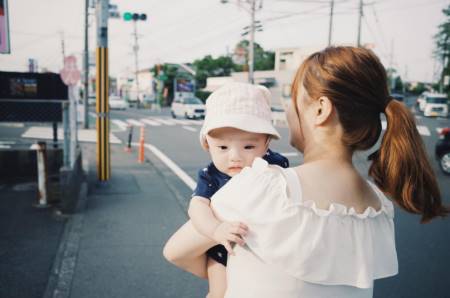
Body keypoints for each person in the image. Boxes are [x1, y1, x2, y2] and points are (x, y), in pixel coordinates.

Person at [208, 46, 449, 297]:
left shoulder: (266, 188)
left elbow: (176, 251)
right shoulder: (377, 208)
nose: (289, 109)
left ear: (321, 109)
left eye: (293, 97)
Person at [163, 82, 289, 298]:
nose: (235, 156)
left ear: (267, 144)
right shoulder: (211, 175)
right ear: (207, 144)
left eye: (249, 146)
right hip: (222, 250)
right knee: (220, 292)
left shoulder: (274, 165)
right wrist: (215, 230)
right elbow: (198, 206)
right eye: (222, 147)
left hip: (261, 251)